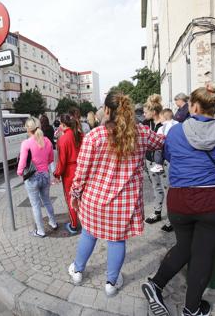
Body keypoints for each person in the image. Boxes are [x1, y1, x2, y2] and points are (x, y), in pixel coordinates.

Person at [142, 81, 215, 316]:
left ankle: (155, 284)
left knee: (184, 247)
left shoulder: (174, 131)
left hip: (181, 200)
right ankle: (191, 309)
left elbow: (170, 156)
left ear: (193, 107)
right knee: (203, 254)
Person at [67, 92, 164, 297]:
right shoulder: (142, 133)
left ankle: (77, 271)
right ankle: (111, 283)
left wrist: (74, 195)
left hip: (94, 201)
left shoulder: (94, 136)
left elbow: (81, 173)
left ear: (108, 110)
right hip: (124, 204)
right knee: (117, 240)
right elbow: (162, 142)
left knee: (88, 234)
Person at [17, 117, 58, 237]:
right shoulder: (47, 141)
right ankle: (53, 222)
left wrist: (20, 173)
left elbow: (23, 162)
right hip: (45, 175)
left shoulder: (26, 143)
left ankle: (40, 231)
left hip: (32, 178)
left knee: (35, 205)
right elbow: (51, 159)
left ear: (28, 129)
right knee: (47, 201)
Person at [143, 95, 171, 232]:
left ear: (153, 112)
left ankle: (171, 219)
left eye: (146, 111)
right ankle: (157, 212)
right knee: (156, 187)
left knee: (168, 188)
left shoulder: (167, 124)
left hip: (164, 161)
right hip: (150, 160)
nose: (144, 114)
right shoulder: (146, 124)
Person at [54, 114, 83, 234]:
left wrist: (57, 174)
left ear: (63, 125)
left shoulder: (63, 139)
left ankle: (74, 225)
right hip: (82, 169)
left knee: (71, 198)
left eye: (60, 124)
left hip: (69, 173)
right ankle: (87, 223)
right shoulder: (81, 135)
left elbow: (61, 161)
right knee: (82, 197)